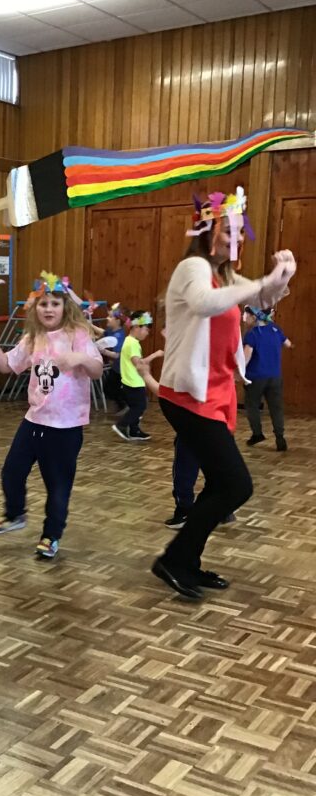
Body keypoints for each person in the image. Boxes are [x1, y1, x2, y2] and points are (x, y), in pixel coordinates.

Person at [152, 187, 296, 599]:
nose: (236, 240)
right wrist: (262, 283)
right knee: (235, 485)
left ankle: (184, 562)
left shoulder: (226, 276)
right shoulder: (193, 268)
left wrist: (281, 278)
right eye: (228, 231)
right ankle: (174, 559)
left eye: (239, 232)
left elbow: (261, 300)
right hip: (186, 396)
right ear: (206, 232)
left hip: (215, 394)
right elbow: (205, 303)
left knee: (221, 484)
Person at [0, 273, 103, 560]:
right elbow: (5, 366)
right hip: (34, 419)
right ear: (35, 308)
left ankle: (51, 535)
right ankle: (15, 514)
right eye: (43, 304)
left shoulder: (78, 335)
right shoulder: (32, 338)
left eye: (55, 304)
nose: (48, 309)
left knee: (58, 485)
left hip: (66, 426)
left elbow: (97, 370)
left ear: (65, 307)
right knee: (12, 471)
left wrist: (80, 358)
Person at [136, 356, 236, 529]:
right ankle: (222, 510)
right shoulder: (222, 367)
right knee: (216, 470)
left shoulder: (193, 367)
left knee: (184, 472)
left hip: (195, 429)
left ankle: (184, 512)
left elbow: (166, 394)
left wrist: (145, 375)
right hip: (221, 428)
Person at [243, 305, 292, 451]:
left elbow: (245, 359)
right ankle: (280, 438)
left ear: (254, 317)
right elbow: (288, 344)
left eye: (246, 315)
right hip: (275, 376)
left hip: (255, 378)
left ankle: (257, 434)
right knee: (276, 408)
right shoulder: (275, 329)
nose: (244, 318)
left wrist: (237, 373)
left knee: (252, 405)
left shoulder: (252, 334)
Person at [112, 310, 155, 441]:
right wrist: (156, 354)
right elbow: (138, 363)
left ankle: (134, 430)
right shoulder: (132, 343)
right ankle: (121, 425)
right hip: (133, 383)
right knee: (139, 407)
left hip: (131, 382)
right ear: (136, 327)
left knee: (136, 407)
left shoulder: (129, 341)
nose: (147, 333)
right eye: (146, 329)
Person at [100, 304, 130, 410]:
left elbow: (117, 355)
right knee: (108, 389)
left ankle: (127, 404)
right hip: (116, 368)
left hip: (122, 369)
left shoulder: (119, 335)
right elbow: (103, 333)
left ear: (117, 321)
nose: (107, 318)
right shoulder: (111, 330)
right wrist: (89, 325)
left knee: (111, 389)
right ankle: (123, 405)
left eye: (110, 316)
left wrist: (102, 350)